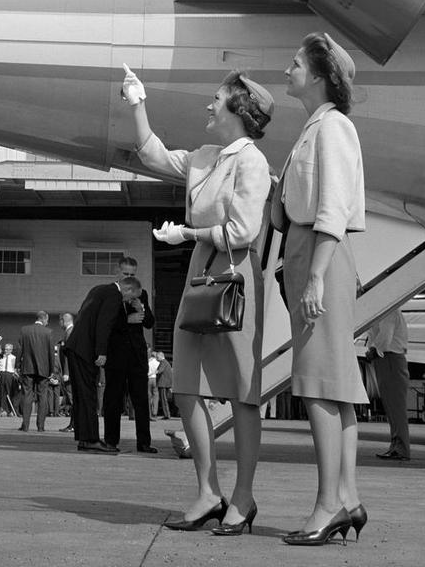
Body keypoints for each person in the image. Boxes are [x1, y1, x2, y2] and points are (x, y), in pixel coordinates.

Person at [126, 63, 273, 533]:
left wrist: (187, 233)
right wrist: (137, 103)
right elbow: (154, 155)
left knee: (243, 391)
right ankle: (209, 493)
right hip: (201, 272)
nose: (208, 105)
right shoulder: (205, 156)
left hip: (234, 276)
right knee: (185, 385)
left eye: (216, 98)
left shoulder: (252, 162)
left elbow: (243, 232)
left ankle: (243, 498)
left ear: (238, 108)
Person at [272, 33, 369, 546]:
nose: (287, 71)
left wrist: (314, 275)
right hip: (310, 249)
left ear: (318, 76)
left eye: (295, 64)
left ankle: (329, 505)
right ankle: (346, 498)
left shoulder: (333, 127)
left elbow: (333, 205)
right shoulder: (315, 128)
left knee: (318, 385)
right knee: (334, 385)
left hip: (321, 253)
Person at [65, 275, 143, 453]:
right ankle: (91, 439)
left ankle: (84, 438)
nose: (128, 301)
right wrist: (101, 351)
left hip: (75, 346)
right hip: (86, 350)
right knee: (89, 395)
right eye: (131, 297)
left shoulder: (98, 289)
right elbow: (104, 323)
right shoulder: (114, 296)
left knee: (81, 396)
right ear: (128, 289)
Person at [103, 256, 157, 454]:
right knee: (113, 398)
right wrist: (127, 320)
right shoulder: (110, 293)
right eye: (125, 273)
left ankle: (144, 442)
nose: (128, 277)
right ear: (117, 272)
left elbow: (149, 322)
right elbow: (105, 323)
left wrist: (141, 308)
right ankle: (111, 440)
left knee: (141, 399)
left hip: (137, 355)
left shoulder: (141, 293)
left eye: (132, 274)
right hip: (116, 354)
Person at [366, 308, 411, 461]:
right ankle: (396, 446)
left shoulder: (388, 310)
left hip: (390, 358)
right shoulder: (384, 310)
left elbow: (385, 336)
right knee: (392, 407)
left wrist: (373, 350)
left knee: (396, 407)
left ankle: (401, 448)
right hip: (386, 359)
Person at [15, 311, 56, 432]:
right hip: (44, 369)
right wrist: (51, 369)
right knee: (42, 396)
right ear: (44, 319)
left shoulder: (24, 330)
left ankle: (25, 425)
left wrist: (17, 365)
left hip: (27, 367)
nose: (47, 323)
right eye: (47, 320)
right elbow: (51, 353)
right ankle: (41, 426)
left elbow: (19, 349)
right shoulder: (48, 332)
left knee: (27, 395)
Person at [57, 312, 75, 430]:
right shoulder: (70, 332)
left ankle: (73, 425)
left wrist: (67, 372)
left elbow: (69, 355)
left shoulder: (69, 332)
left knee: (72, 398)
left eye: (60, 321)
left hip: (70, 372)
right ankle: (73, 424)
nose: (59, 324)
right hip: (71, 371)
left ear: (63, 320)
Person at [0, 343, 20, 416]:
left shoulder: (14, 358)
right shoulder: (0, 357)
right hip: (2, 374)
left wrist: (16, 374)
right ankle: (3, 410)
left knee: (10, 392)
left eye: (8, 349)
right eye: (5, 349)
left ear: (11, 350)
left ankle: (10, 410)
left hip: (10, 375)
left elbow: (16, 367)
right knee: (2, 392)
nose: (6, 351)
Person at [155, 352, 174, 420]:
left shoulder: (163, 362)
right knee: (164, 400)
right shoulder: (165, 362)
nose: (156, 358)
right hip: (165, 384)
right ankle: (167, 414)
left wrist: (154, 372)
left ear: (161, 356)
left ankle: (167, 415)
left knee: (163, 400)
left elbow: (160, 371)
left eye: (157, 357)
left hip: (163, 384)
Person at [147, 350, 161, 418]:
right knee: (156, 396)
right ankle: (155, 412)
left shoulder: (148, 362)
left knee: (149, 396)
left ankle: (149, 412)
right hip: (156, 379)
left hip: (149, 379)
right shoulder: (158, 362)